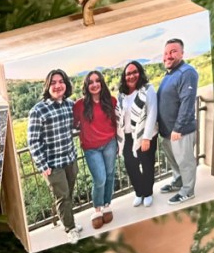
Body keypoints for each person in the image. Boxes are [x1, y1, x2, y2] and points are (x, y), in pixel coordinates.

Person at [27, 69, 79, 236]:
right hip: (52, 165)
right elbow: (33, 141)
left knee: (69, 194)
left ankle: (71, 224)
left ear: (66, 84)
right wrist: (43, 165)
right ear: (47, 86)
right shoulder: (38, 110)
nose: (58, 85)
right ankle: (70, 229)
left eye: (61, 81)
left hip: (70, 159)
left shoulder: (70, 105)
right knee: (63, 197)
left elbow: (79, 125)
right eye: (53, 82)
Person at [73, 71, 118, 229]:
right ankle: (97, 209)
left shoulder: (111, 101)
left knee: (110, 174)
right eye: (90, 82)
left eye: (97, 81)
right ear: (86, 85)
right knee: (100, 179)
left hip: (110, 143)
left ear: (102, 83)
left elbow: (117, 120)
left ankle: (107, 205)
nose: (94, 84)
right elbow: (72, 124)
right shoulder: (79, 105)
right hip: (91, 148)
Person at [157, 38, 199, 204]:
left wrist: (178, 128)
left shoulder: (187, 73)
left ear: (182, 53)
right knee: (175, 161)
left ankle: (188, 191)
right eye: (166, 53)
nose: (168, 56)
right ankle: (179, 180)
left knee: (185, 161)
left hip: (180, 130)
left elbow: (187, 102)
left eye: (173, 51)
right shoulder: (170, 74)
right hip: (167, 131)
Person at [117, 61, 158, 208]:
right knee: (131, 166)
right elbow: (119, 116)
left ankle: (148, 193)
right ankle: (138, 192)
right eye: (128, 73)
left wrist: (146, 137)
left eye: (135, 72)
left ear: (140, 73)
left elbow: (152, 113)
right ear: (124, 76)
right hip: (128, 136)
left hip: (145, 135)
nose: (131, 76)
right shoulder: (121, 95)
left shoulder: (147, 90)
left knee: (147, 165)